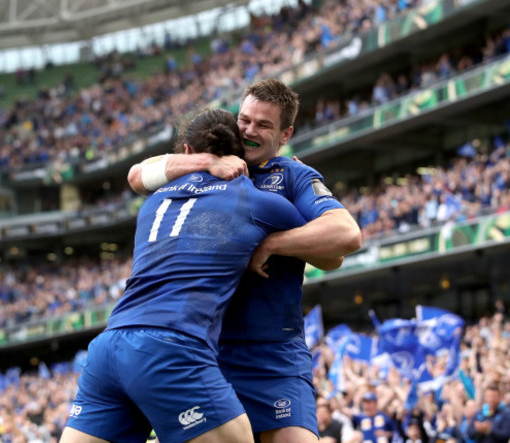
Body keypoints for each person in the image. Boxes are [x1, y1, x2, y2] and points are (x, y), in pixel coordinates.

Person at [128, 78, 362, 442]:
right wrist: (206, 161)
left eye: (263, 125)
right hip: (204, 355)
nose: (249, 130)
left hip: (273, 356)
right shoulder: (200, 165)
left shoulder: (291, 175)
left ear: (285, 134)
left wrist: (272, 244)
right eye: (245, 119)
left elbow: (343, 241)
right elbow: (137, 176)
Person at [60, 108, 308, 443]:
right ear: (240, 153)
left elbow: (139, 173)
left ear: (187, 151)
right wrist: (271, 245)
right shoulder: (255, 200)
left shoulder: (152, 200)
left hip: (108, 347)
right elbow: (333, 247)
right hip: (172, 345)